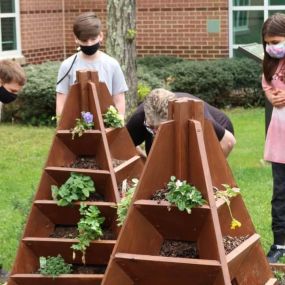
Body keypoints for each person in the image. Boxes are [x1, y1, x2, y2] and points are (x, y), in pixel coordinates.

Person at [56, 12, 128, 117]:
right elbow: (61, 101)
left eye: (93, 39)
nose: (89, 44)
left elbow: (119, 100)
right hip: (75, 125)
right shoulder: (67, 66)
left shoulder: (112, 65)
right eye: (84, 40)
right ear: (76, 38)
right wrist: (62, 126)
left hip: (107, 125)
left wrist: (116, 125)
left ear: (101, 36)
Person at [126, 88, 236, 158]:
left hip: (218, 134)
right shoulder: (140, 116)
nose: (156, 132)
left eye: (160, 127)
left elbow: (228, 142)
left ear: (173, 115)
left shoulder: (194, 111)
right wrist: (146, 165)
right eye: (151, 127)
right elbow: (124, 147)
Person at [261, 13, 285, 263]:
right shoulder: (270, 64)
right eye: (268, 43)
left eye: (276, 41)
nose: (272, 47)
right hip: (280, 142)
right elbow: (267, 84)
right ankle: (280, 243)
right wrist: (272, 97)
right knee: (280, 193)